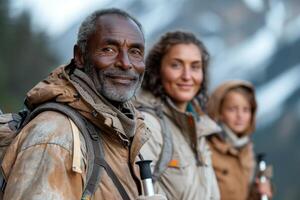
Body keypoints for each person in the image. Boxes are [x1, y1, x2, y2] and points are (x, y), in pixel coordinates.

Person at [1, 8, 166, 200]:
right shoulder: (56, 136)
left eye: (135, 52)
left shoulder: (124, 130)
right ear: (79, 56)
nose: (125, 63)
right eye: (109, 49)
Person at [134, 31, 221, 200]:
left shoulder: (198, 125)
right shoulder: (147, 124)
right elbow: (132, 190)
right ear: (157, 70)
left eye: (195, 67)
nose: (187, 76)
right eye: (176, 65)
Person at [206, 80, 273, 200]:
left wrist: (258, 192)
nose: (240, 116)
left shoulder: (247, 150)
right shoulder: (207, 148)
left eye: (246, 110)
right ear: (219, 112)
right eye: (232, 109)